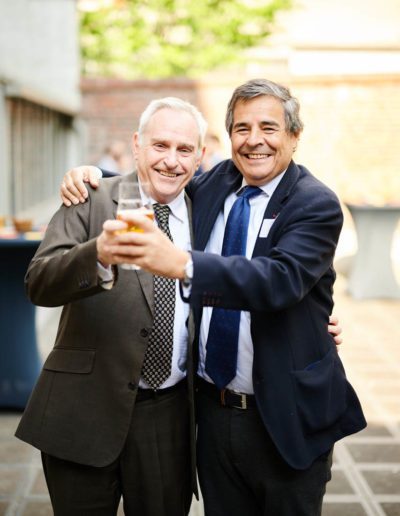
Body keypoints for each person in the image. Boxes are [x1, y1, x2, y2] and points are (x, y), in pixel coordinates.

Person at [59, 81, 348, 516]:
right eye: (242, 128)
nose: (254, 140)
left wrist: (183, 264)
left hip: (285, 416)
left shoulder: (315, 203)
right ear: (227, 137)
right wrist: (91, 176)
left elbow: (280, 279)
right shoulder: (214, 184)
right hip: (212, 415)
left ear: (294, 135)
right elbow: (160, 178)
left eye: (268, 127)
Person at [15, 97, 208, 516]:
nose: (171, 161)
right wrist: (98, 254)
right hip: (83, 407)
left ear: (200, 156)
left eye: (184, 149)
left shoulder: (208, 215)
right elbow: (38, 283)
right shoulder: (90, 196)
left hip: (167, 417)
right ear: (137, 144)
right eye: (160, 145)